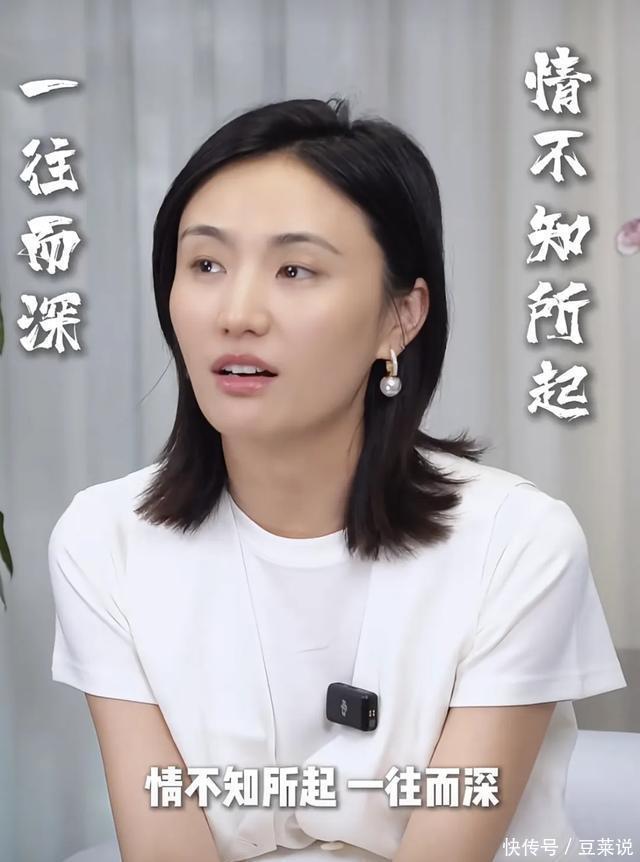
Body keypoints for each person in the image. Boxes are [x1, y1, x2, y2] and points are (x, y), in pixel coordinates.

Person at [48, 97, 627, 862]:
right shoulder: (104, 539)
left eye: (296, 269)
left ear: (401, 317)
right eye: (206, 264)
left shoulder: (517, 543)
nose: (236, 314)